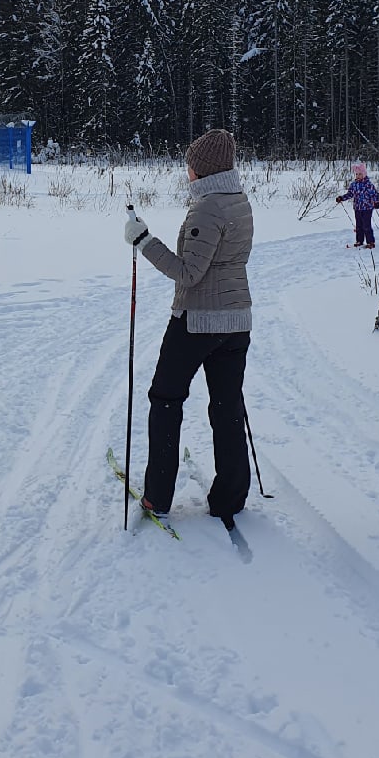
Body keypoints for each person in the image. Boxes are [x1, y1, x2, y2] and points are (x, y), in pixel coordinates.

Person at [122, 128, 253, 528]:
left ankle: (157, 497)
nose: (187, 170)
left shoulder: (207, 208)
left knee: (165, 399)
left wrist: (144, 241)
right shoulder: (238, 200)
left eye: (190, 164)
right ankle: (230, 497)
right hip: (237, 320)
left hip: (197, 322)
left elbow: (189, 273)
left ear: (202, 169)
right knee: (227, 406)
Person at [335, 162, 379, 249]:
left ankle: (371, 242)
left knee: (366, 225)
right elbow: (350, 194)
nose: (358, 176)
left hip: (367, 208)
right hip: (357, 208)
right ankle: (359, 240)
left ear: (364, 174)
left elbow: (375, 194)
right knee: (359, 225)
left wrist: (376, 202)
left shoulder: (368, 185)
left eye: (360, 174)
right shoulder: (354, 185)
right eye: (356, 174)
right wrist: (341, 198)